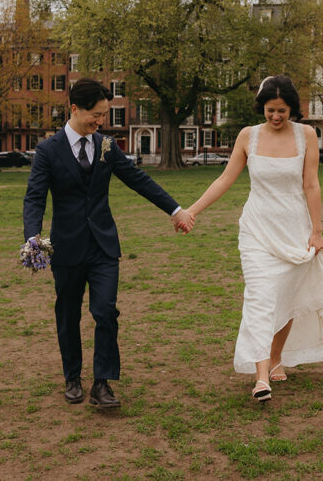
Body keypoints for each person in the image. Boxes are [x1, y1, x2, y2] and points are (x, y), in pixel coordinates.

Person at [22, 78, 195, 410]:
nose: (100, 122)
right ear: (75, 109)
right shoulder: (48, 150)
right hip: (67, 247)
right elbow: (34, 198)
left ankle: (102, 384)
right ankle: (72, 377)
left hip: (103, 246)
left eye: (103, 116)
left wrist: (175, 210)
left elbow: (138, 180)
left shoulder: (107, 146)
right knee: (68, 314)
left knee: (105, 312)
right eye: (96, 115)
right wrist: (32, 237)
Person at [183, 75, 323, 402]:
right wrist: (193, 210)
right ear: (262, 108)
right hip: (257, 230)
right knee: (259, 297)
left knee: (285, 296)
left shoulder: (307, 135)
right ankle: (260, 378)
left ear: (292, 109)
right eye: (270, 110)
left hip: (294, 229)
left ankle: (275, 358)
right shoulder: (248, 136)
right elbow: (226, 179)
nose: (275, 117)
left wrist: (317, 231)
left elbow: (311, 185)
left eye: (282, 111)